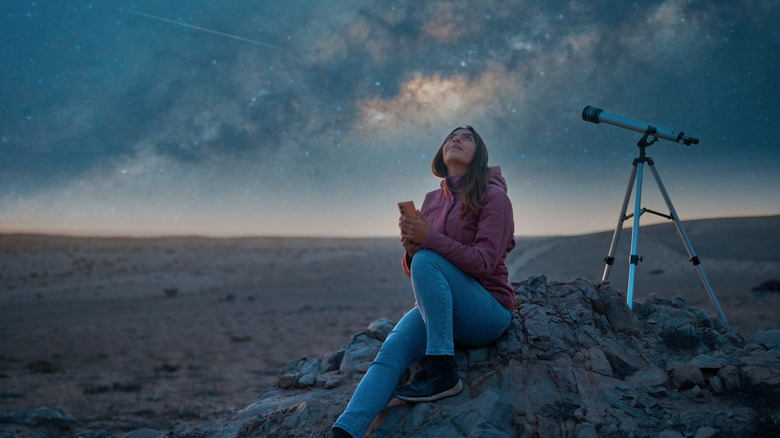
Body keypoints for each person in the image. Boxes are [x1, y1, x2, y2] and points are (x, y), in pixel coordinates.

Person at [332, 126, 516, 438]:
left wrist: (429, 241)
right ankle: (345, 431)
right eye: (450, 137)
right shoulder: (432, 200)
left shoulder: (494, 197)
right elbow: (419, 268)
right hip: (441, 311)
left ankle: (443, 370)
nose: (455, 140)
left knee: (429, 258)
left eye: (465, 138)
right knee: (390, 351)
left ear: (479, 155)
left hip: (487, 310)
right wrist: (411, 250)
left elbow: (484, 263)